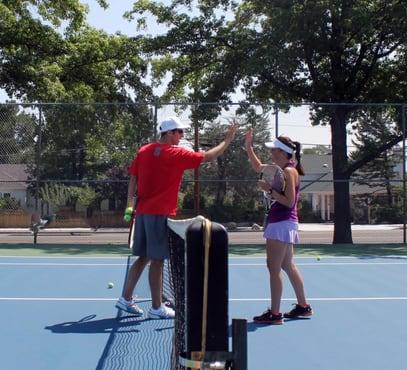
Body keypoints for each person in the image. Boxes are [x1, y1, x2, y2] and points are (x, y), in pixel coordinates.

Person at [116, 116, 237, 318]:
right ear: (170, 133)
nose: (182, 136)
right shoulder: (175, 153)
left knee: (144, 257)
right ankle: (156, 308)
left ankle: (125, 298)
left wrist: (129, 204)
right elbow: (207, 157)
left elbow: (133, 178)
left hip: (143, 213)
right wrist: (227, 140)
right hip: (159, 214)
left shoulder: (144, 150)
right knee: (157, 261)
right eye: (180, 132)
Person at [245, 130, 312, 324]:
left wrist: (269, 190)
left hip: (281, 223)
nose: (272, 152)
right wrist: (248, 146)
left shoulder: (289, 171)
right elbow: (258, 166)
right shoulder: (280, 169)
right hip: (283, 223)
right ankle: (303, 306)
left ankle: (275, 314)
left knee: (273, 268)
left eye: (274, 149)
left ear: (282, 152)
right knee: (287, 265)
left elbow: (289, 201)